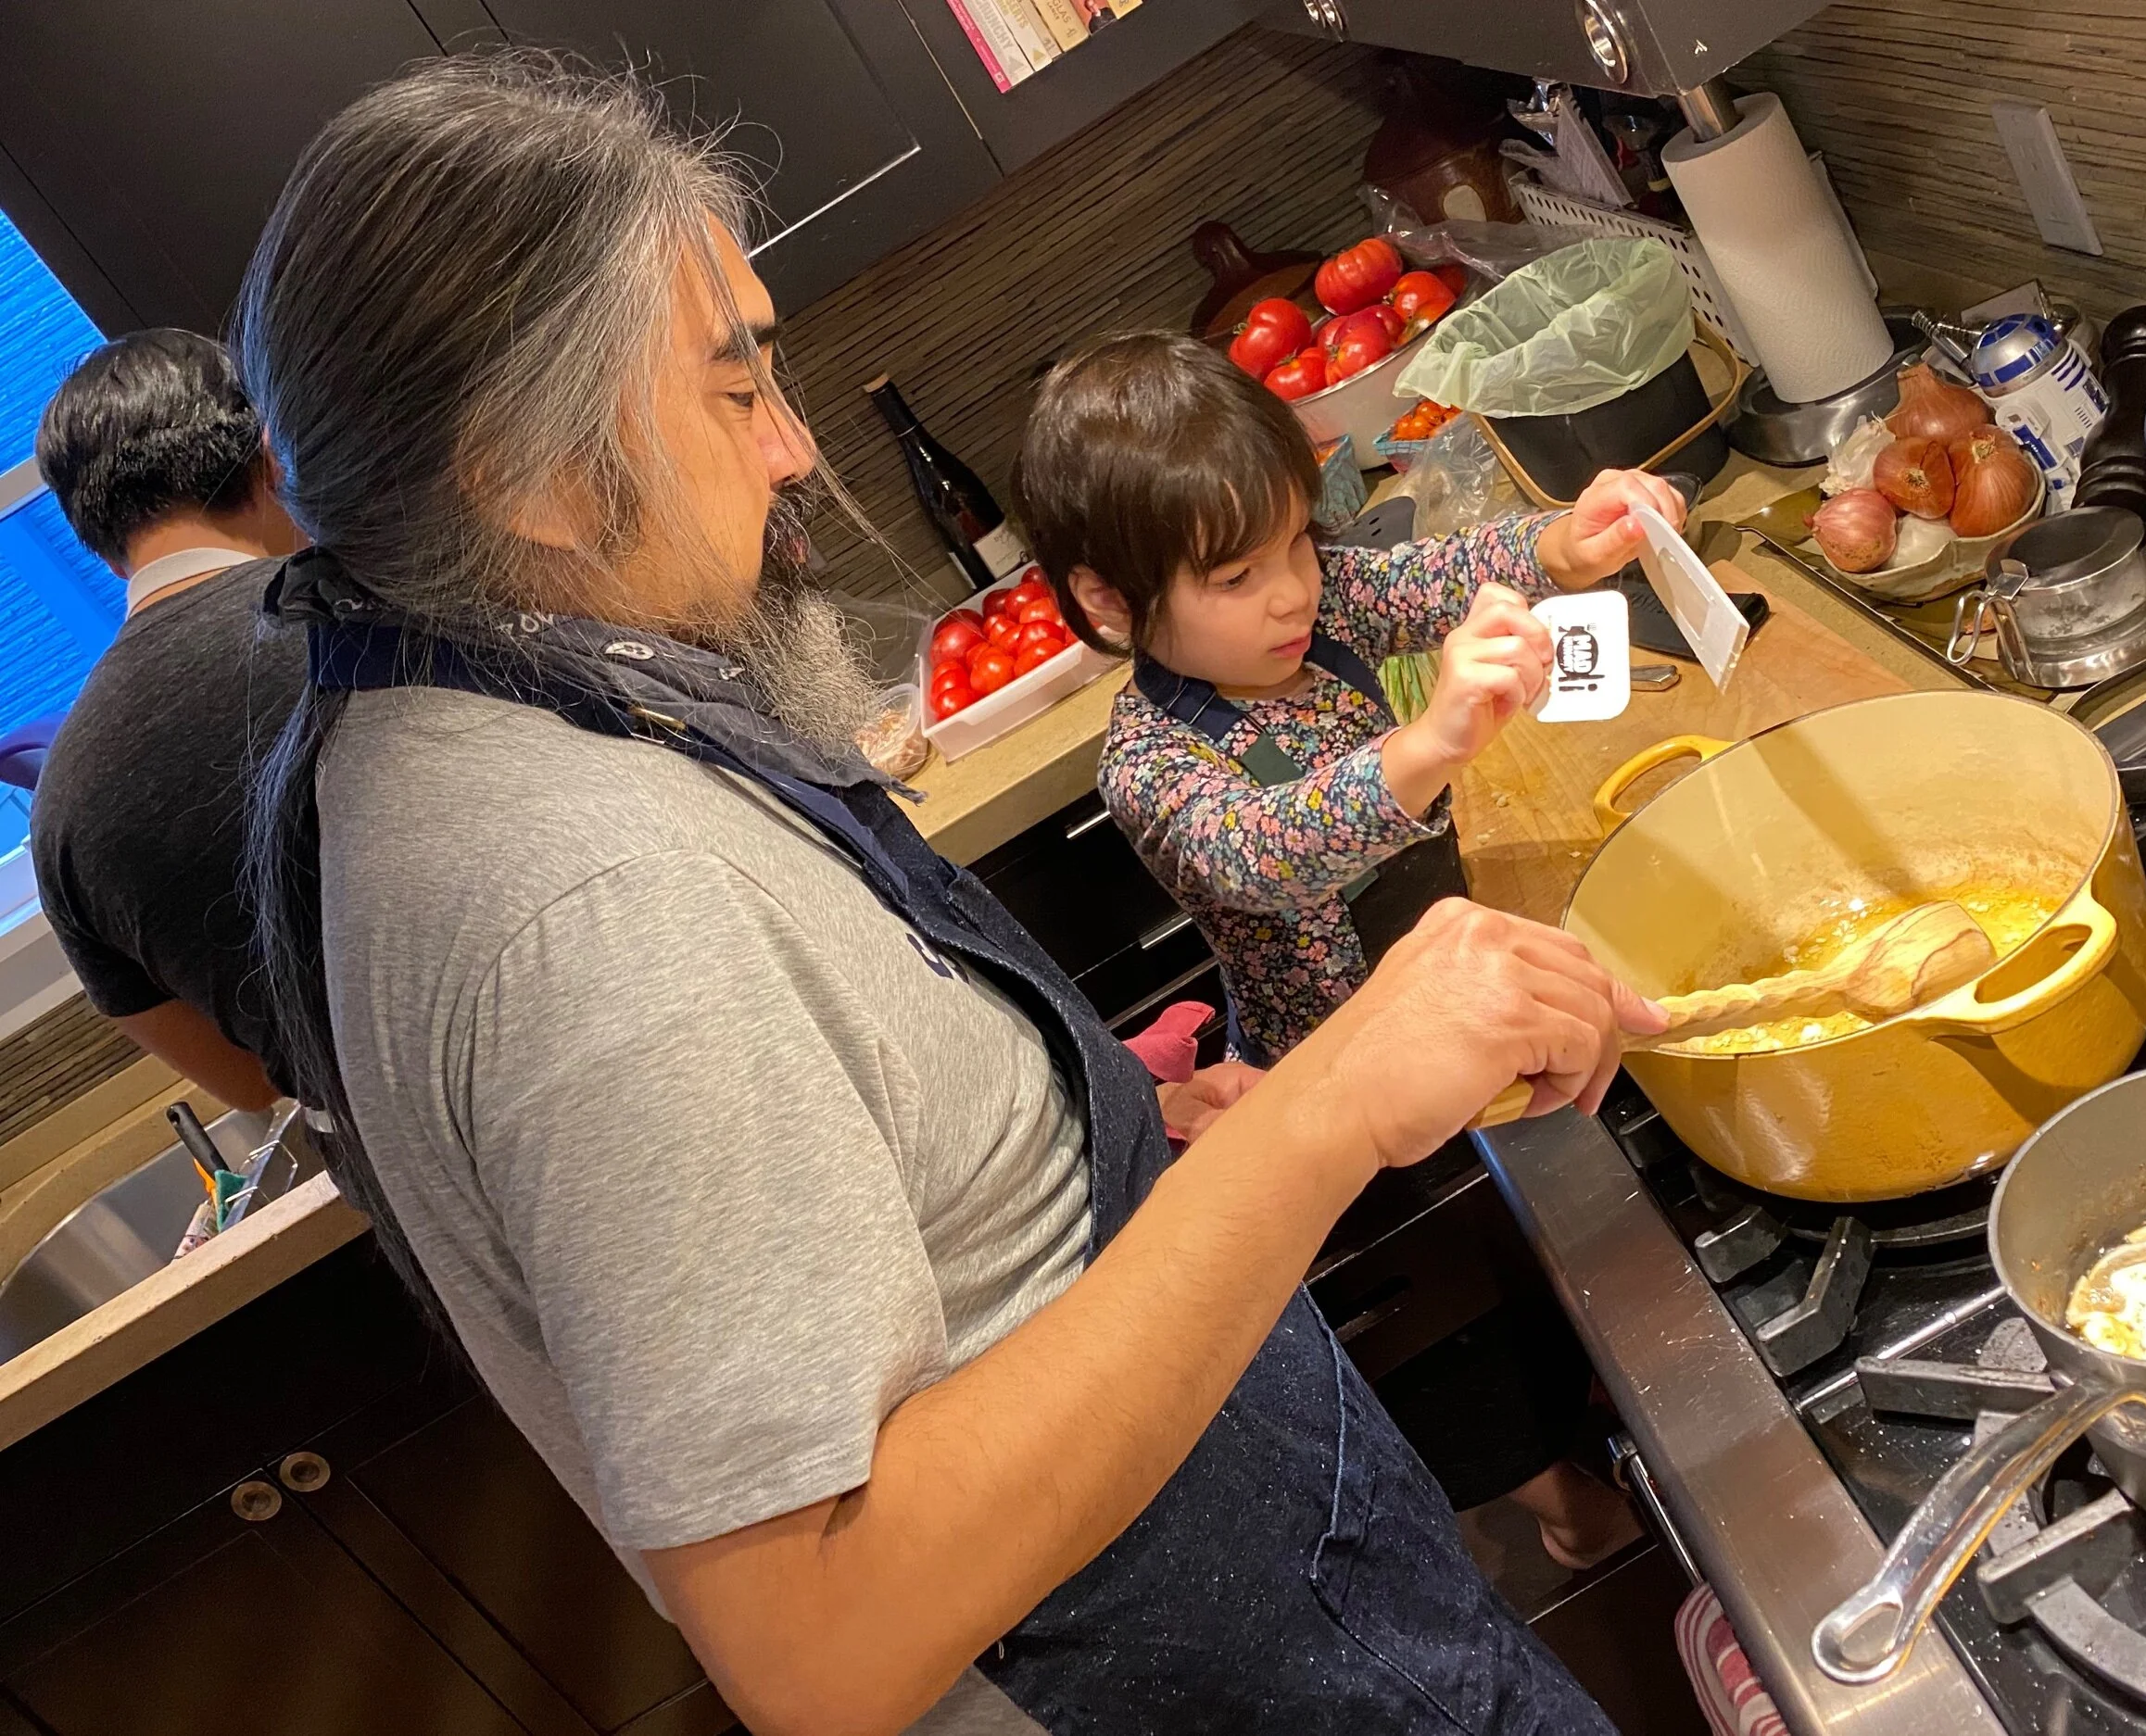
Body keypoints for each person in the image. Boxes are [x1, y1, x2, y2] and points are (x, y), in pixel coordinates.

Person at [234, 53, 1662, 1736]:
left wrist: (1062, 1133)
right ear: (519, 472)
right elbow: (827, 1638)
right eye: (730, 386)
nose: (788, 452)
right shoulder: (590, 900)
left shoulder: (469, 725)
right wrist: (1332, 1096)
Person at [1013, 333, 1679, 1568]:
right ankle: (1551, 1498)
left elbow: (1428, 575)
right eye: (1232, 575)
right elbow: (1269, 852)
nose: (1290, 595)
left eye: (1296, 546)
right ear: (1109, 601)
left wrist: (1561, 547)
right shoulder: (1149, 763)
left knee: (1549, 1230)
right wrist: (1428, 741)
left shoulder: (1318, 614)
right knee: (1451, 1307)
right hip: (1339, 1080)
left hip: (1458, 985)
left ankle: (1602, 1393)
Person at [31, 329, 307, 1111]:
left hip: (413, 1191)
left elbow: (245, 1086)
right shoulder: (377, 607)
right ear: (267, 455)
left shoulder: (63, 816)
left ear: (97, 542)